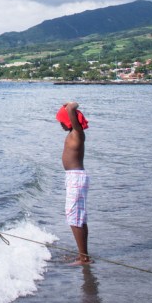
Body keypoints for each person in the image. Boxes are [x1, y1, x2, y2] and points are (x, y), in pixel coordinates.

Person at [56, 101, 92, 265]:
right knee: (78, 217)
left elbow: (72, 107)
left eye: (62, 121)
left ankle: (84, 258)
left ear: (70, 121)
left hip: (76, 177)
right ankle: (82, 254)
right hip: (74, 177)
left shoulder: (77, 133)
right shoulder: (72, 133)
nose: (61, 124)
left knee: (73, 217)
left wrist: (69, 106)